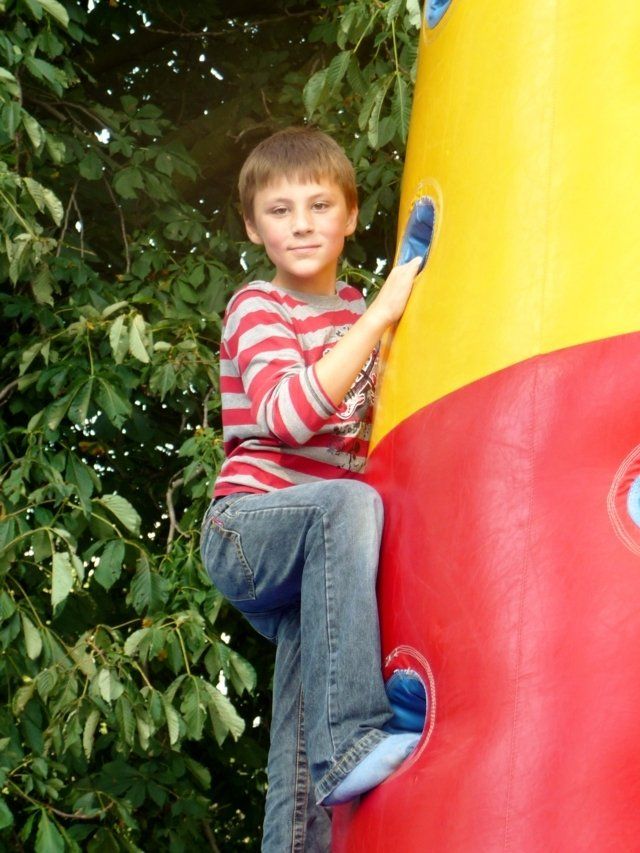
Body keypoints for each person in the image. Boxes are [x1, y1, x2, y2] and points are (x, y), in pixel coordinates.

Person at [200, 126, 422, 852]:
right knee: (347, 504)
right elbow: (287, 417)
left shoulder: (359, 310)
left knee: (299, 747)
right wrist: (381, 315)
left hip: (320, 559)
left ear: (351, 214)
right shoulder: (258, 306)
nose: (301, 224)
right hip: (249, 529)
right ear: (252, 227)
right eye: (280, 210)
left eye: (320, 205)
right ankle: (352, 737)